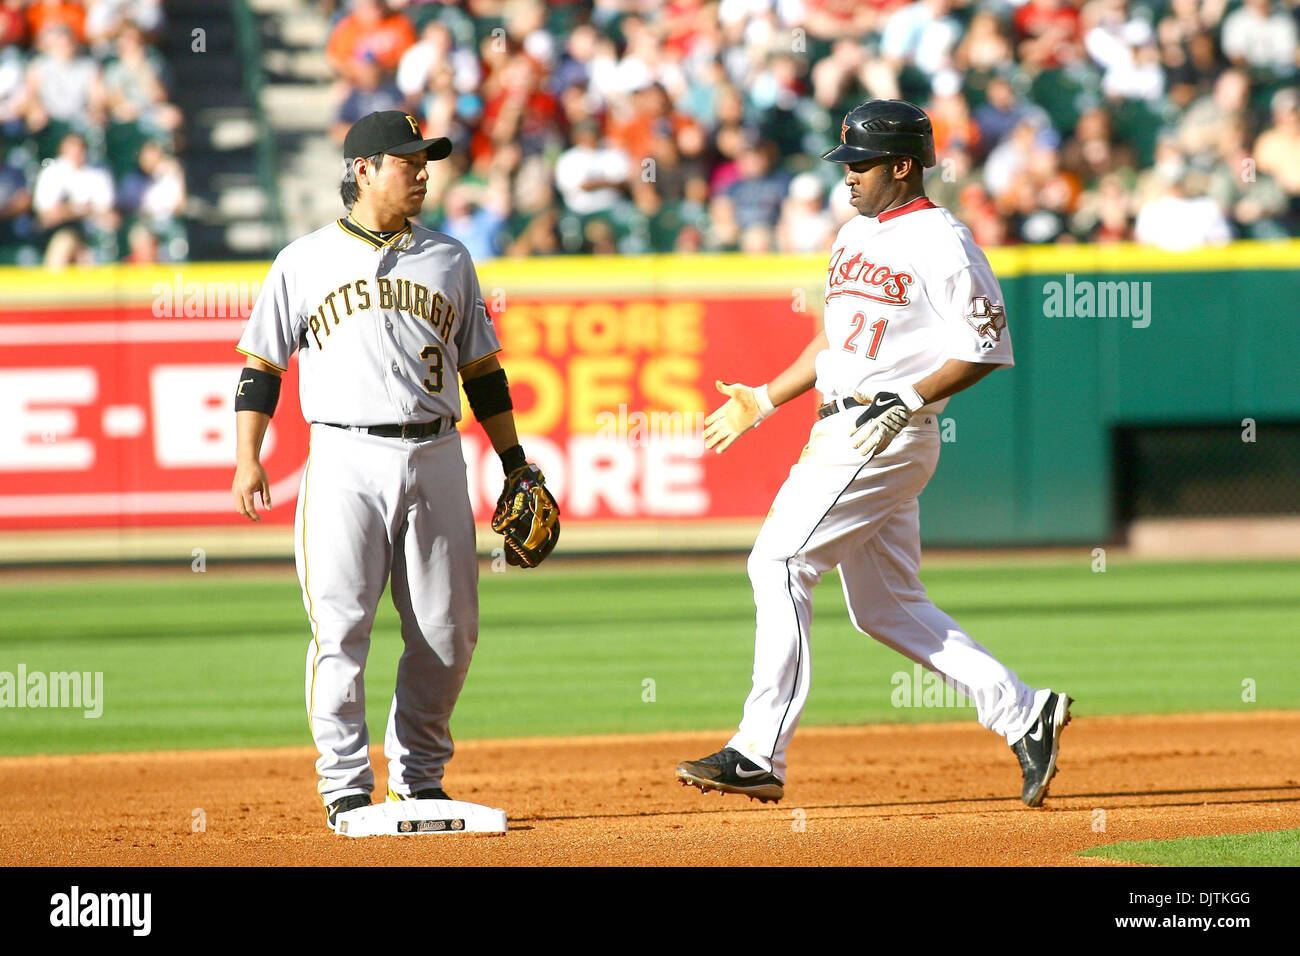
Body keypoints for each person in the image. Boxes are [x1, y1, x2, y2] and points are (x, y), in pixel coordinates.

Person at [676, 99, 1072, 808]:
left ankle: (758, 751)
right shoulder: (853, 235)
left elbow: (986, 347)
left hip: (882, 434)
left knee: (780, 561)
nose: (847, 175)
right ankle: (1025, 711)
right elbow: (836, 344)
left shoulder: (944, 241)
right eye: (844, 162)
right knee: (885, 608)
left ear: (902, 165)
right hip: (841, 423)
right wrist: (765, 399)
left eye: (859, 163)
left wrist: (912, 401)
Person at [231, 110, 556, 831]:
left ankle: (419, 778)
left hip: (439, 453)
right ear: (364, 169)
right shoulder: (303, 259)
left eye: (426, 160)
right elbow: (262, 368)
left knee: (448, 632)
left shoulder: (450, 257)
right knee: (342, 628)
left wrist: (514, 464)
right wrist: (247, 456)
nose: (424, 172)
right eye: (409, 161)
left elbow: (484, 372)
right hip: (344, 456)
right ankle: (345, 785)